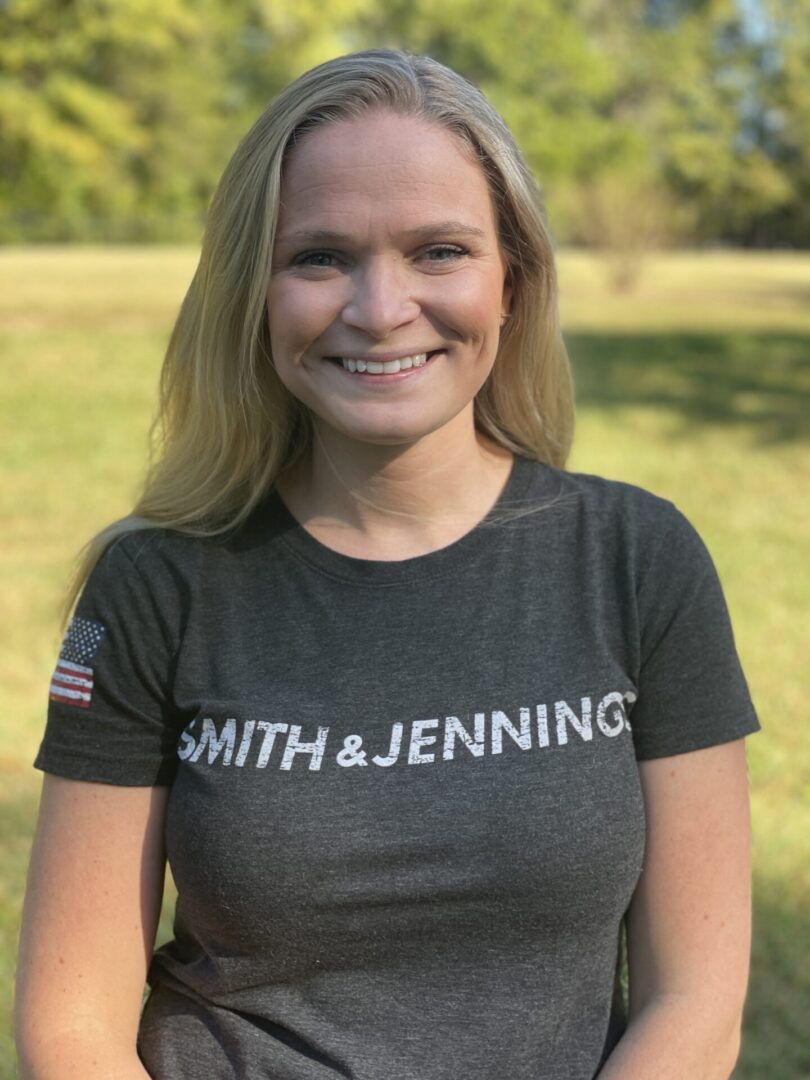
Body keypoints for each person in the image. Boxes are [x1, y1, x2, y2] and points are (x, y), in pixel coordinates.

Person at [15, 48, 759, 1080]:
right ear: (255, 292)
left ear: (515, 278)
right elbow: (72, 1030)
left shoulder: (639, 559)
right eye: (319, 257)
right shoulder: (157, 587)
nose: (379, 307)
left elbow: (697, 1002)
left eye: (439, 251)